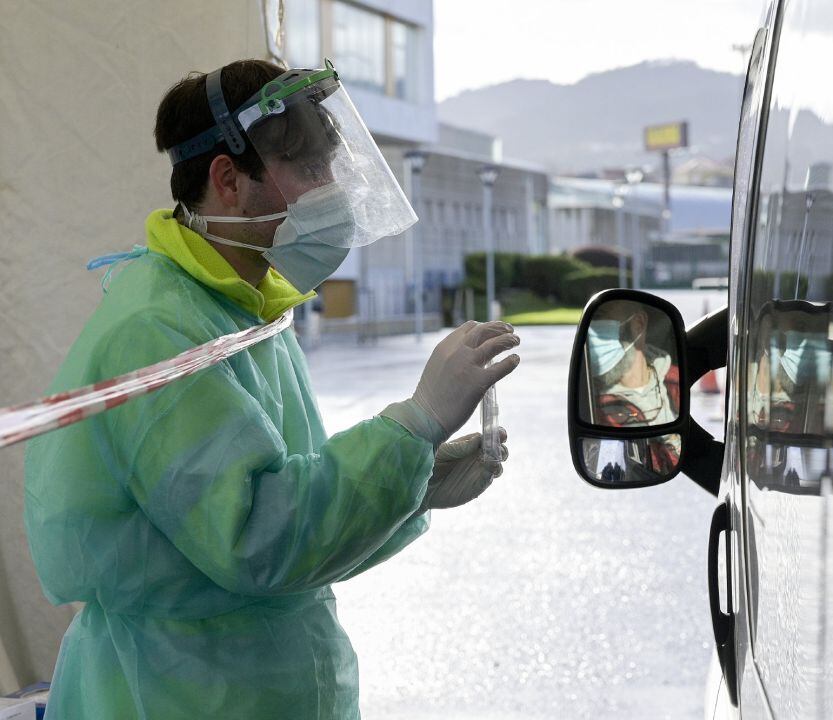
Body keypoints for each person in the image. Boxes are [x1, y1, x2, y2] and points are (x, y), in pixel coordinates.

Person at [23, 59, 519, 720]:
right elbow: (259, 538)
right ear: (228, 179)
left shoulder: (242, 308)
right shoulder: (159, 330)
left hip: (255, 682)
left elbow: (291, 496)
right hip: (180, 695)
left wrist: (413, 480)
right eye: (310, 170)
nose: (332, 191)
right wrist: (416, 424)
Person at [585, 302, 680, 473]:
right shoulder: (592, 402)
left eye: (600, 319)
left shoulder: (676, 379)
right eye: (589, 327)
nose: (592, 337)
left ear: (638, 324)